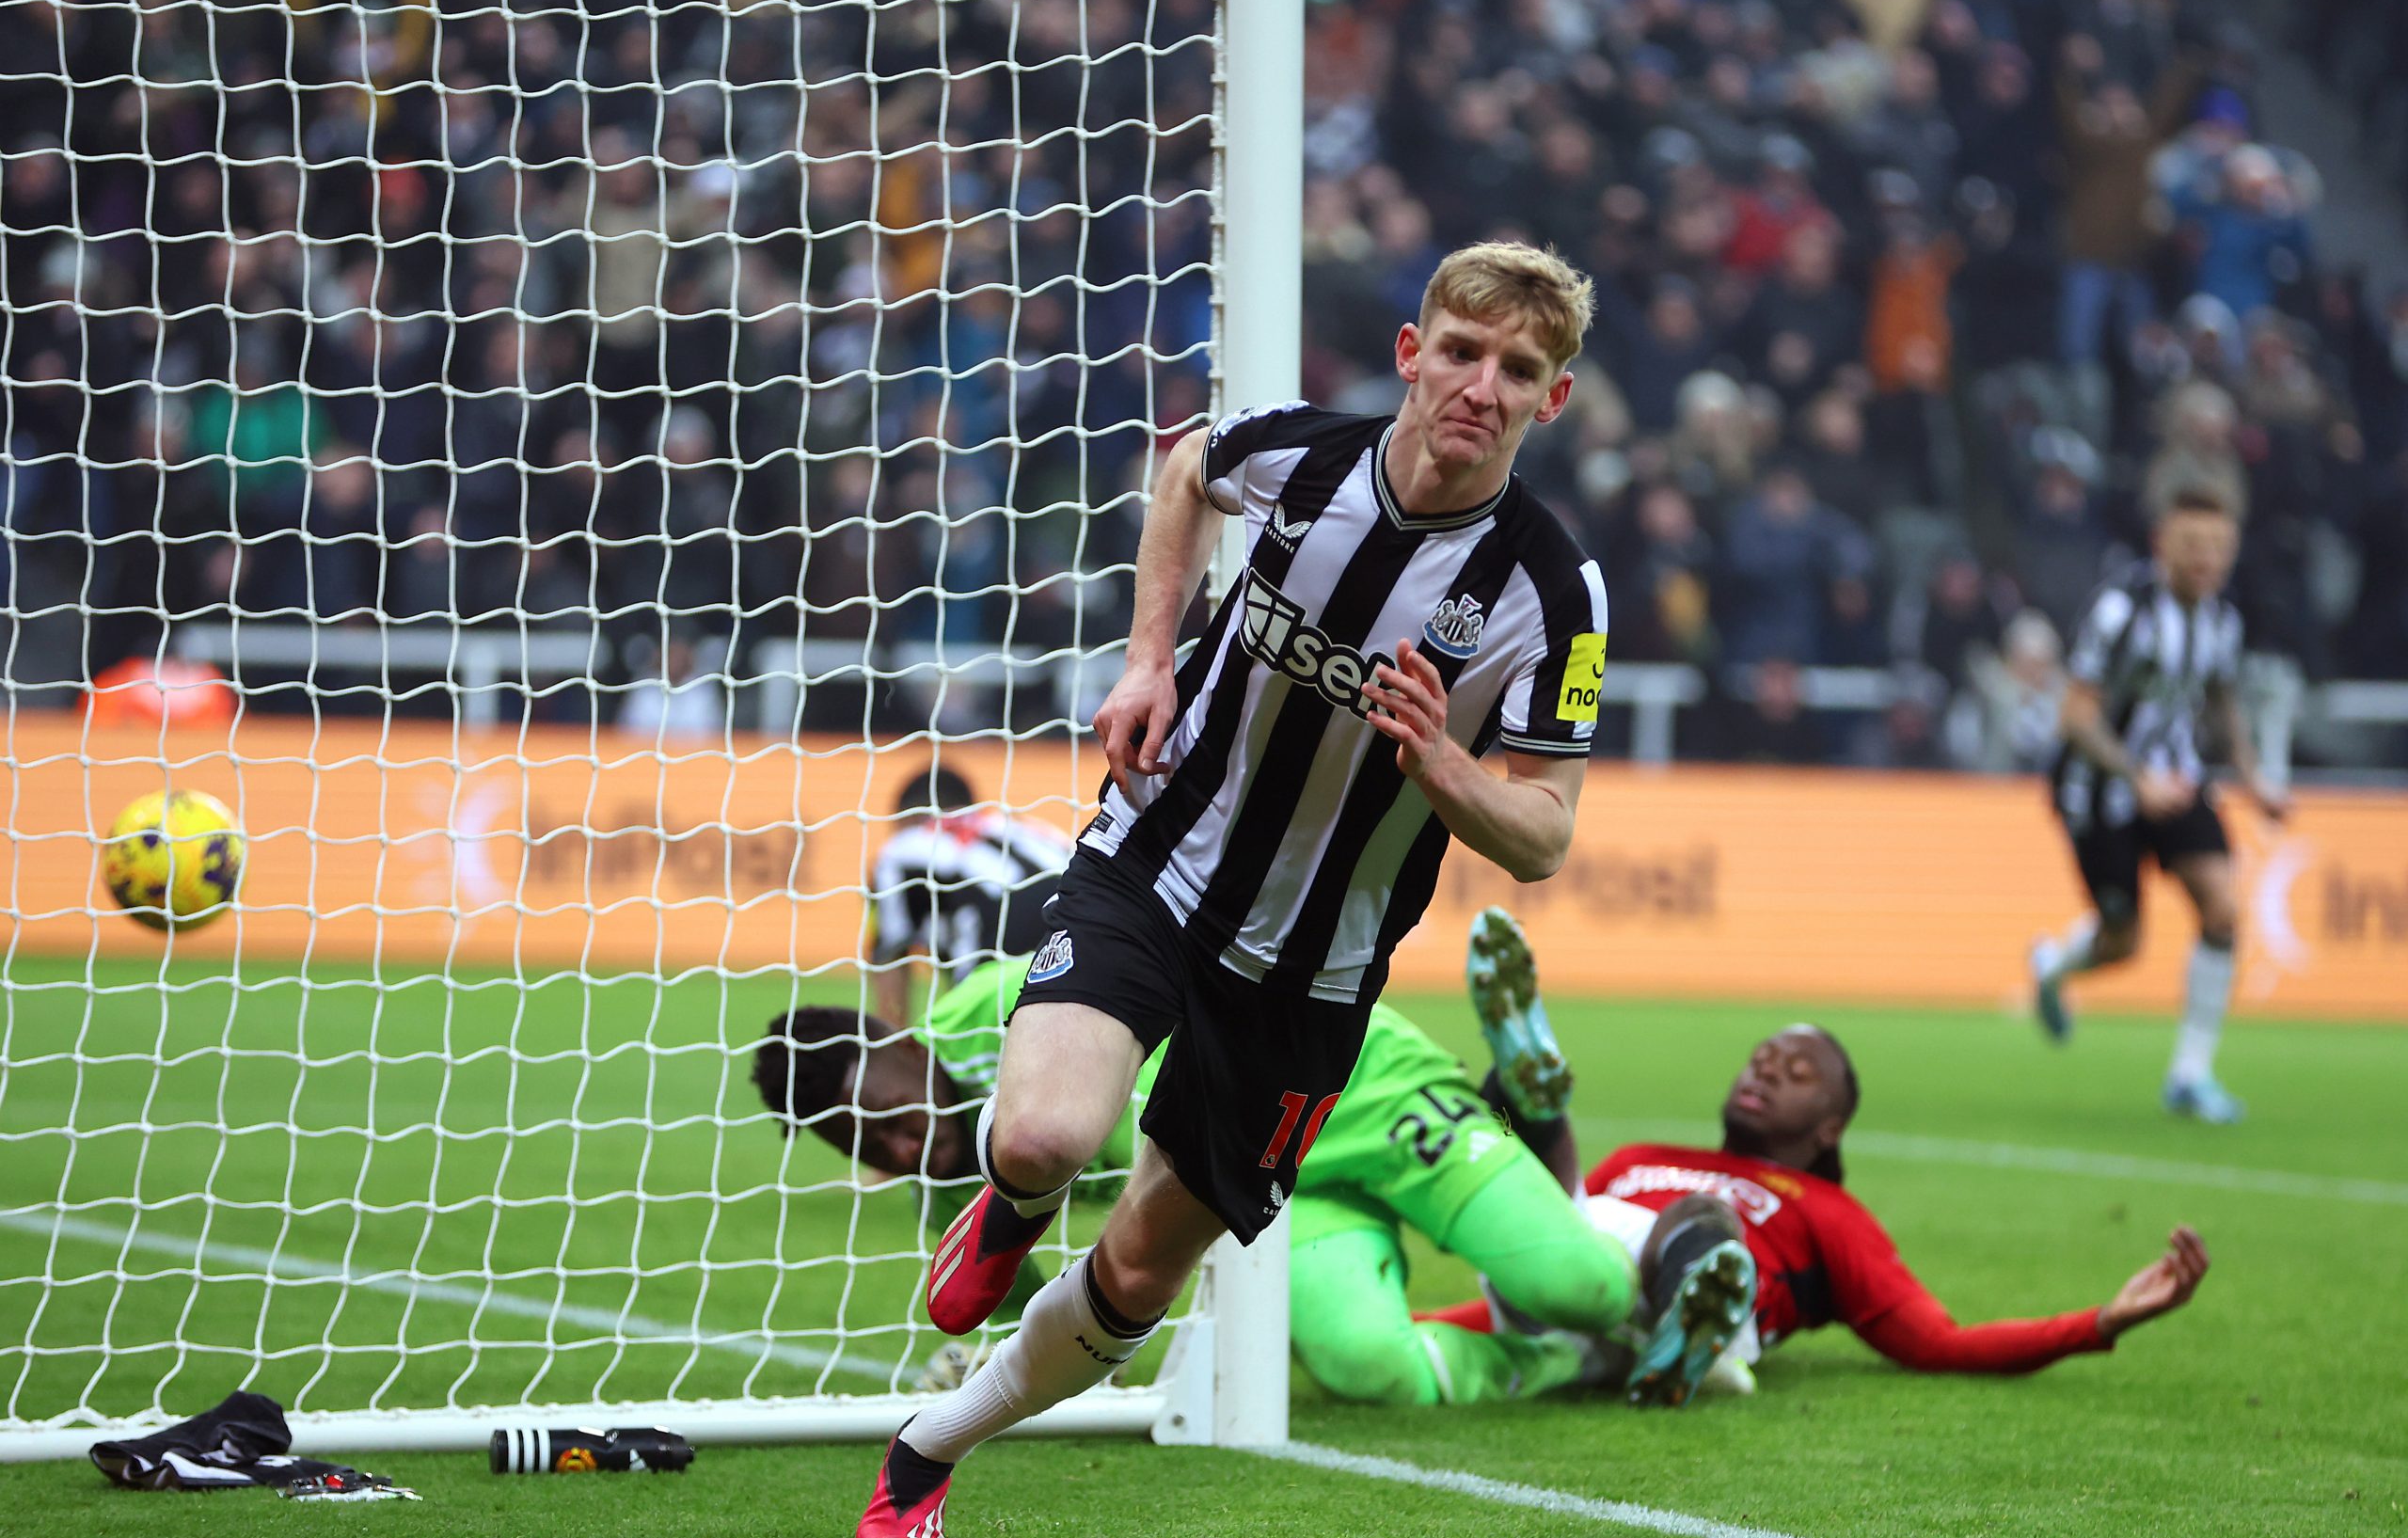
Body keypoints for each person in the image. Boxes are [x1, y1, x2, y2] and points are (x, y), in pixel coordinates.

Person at [853, 241, 1612, 1538]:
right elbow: (1185, 471)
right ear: (1410, 355)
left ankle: (929, 1447)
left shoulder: (1555, 594)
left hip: (1311, 975)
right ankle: (1011, 1204)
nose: (1482, 386)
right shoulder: (1303, 457)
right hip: (1156, 860)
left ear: (1551, 400)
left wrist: (1441, 763)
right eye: (1462, 352)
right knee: (1038, 1134)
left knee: (1145, 1269)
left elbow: (1543, 833)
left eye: (1519, 369)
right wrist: (1149, 659)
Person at [754, 912, 1756, 1417]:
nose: (898, 1146)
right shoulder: (958, 1181)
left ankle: (1667, 1258)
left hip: (1361, 1090)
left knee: (1570, 1278)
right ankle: (1593, 1356)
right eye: (864, 1147)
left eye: (884, 1114)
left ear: (895, 1043)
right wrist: (979, 1361)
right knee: (1368, 1370)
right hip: (1270, 1185)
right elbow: (1005, 1302)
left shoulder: (1021, 1009)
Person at [1425, 1023, 2213, 1375]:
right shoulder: (1642, 1158)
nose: (1764, 1070)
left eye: (1795, 1072)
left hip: (1709, 1298)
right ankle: (1522, 1103)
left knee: (1693, 1228)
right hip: (1576, 1299)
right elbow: (1565, 1236)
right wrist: (1416, 1322)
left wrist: (2099, 1323)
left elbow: (1937, 1341)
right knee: (1562, 1220)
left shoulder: (1826, 1211)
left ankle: (1696, 1317)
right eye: (1760, 1058)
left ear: (1831, 1125)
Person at [2026, 490, 2289, 1123]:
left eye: (2219, 547)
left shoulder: (2222, 620)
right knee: (2123, 942)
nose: (2207, 559)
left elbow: (2222, 701)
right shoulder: (2121, 611)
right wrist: (2134, 775)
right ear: (2161, 544)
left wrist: (2255, 779)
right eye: (2194, 544)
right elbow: (2077, 715)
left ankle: (2190, 1076)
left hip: (2177, 779)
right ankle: (2053, 968)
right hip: (2100, 787)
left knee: (2223, 909)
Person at [864, 760, 1074, 1028]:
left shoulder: (899, 850)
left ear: (908, 818)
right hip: (1081, 927)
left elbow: (889, 957)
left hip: (1001, 956)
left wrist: (893, 1038)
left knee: (960, 1053)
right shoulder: (1024, 826)